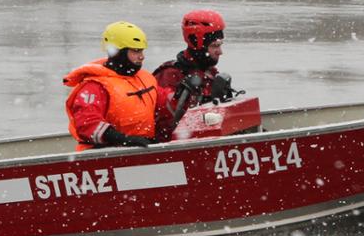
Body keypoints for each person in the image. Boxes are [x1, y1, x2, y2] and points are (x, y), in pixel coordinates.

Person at [63, 21, 166, 150]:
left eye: (142, 51)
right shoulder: (94, 86)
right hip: (105, 155)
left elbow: (165, 104)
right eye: (136, 51)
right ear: (118, 52)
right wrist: (123, 140)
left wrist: (186, 94)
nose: (142, 57)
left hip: (140, 149)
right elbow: (87, 123)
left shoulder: (146, 78)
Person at [153, 9, 235, 140]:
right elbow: (163, 124)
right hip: (176, 147)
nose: (220, 52)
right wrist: (182, 98)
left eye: (220, 45)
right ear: (197, 44)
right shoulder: (169, 75)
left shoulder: (211, 74)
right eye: (215, 46)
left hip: (206, 141)